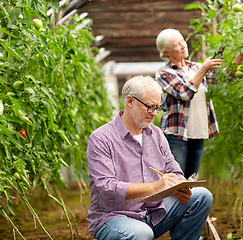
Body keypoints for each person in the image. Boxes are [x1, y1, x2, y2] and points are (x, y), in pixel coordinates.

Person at [86, 75, 213, 240]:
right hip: (113, 217)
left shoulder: (156, 135)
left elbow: (173, 169)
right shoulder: (101, 138)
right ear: (130, 101)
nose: (154, 114)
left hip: (153, 213)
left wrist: (181, 187)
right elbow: (107, 188)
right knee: (141, 234)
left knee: (203, 196)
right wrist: (155, 187)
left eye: (157, 108)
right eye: (150, 107)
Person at [155, 29, 226, 179]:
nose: (183, 45)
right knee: (176, 179)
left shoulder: (195, 67)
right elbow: (184, 93)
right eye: (177, 44)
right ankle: (170, 204)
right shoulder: (164, 72)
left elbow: (224, 77)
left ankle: (189, 203)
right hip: (177, 133)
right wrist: (204, 68)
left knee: (191, 180)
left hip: (199, 131)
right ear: (166, 52)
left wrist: (240, 58)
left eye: (182, 41)